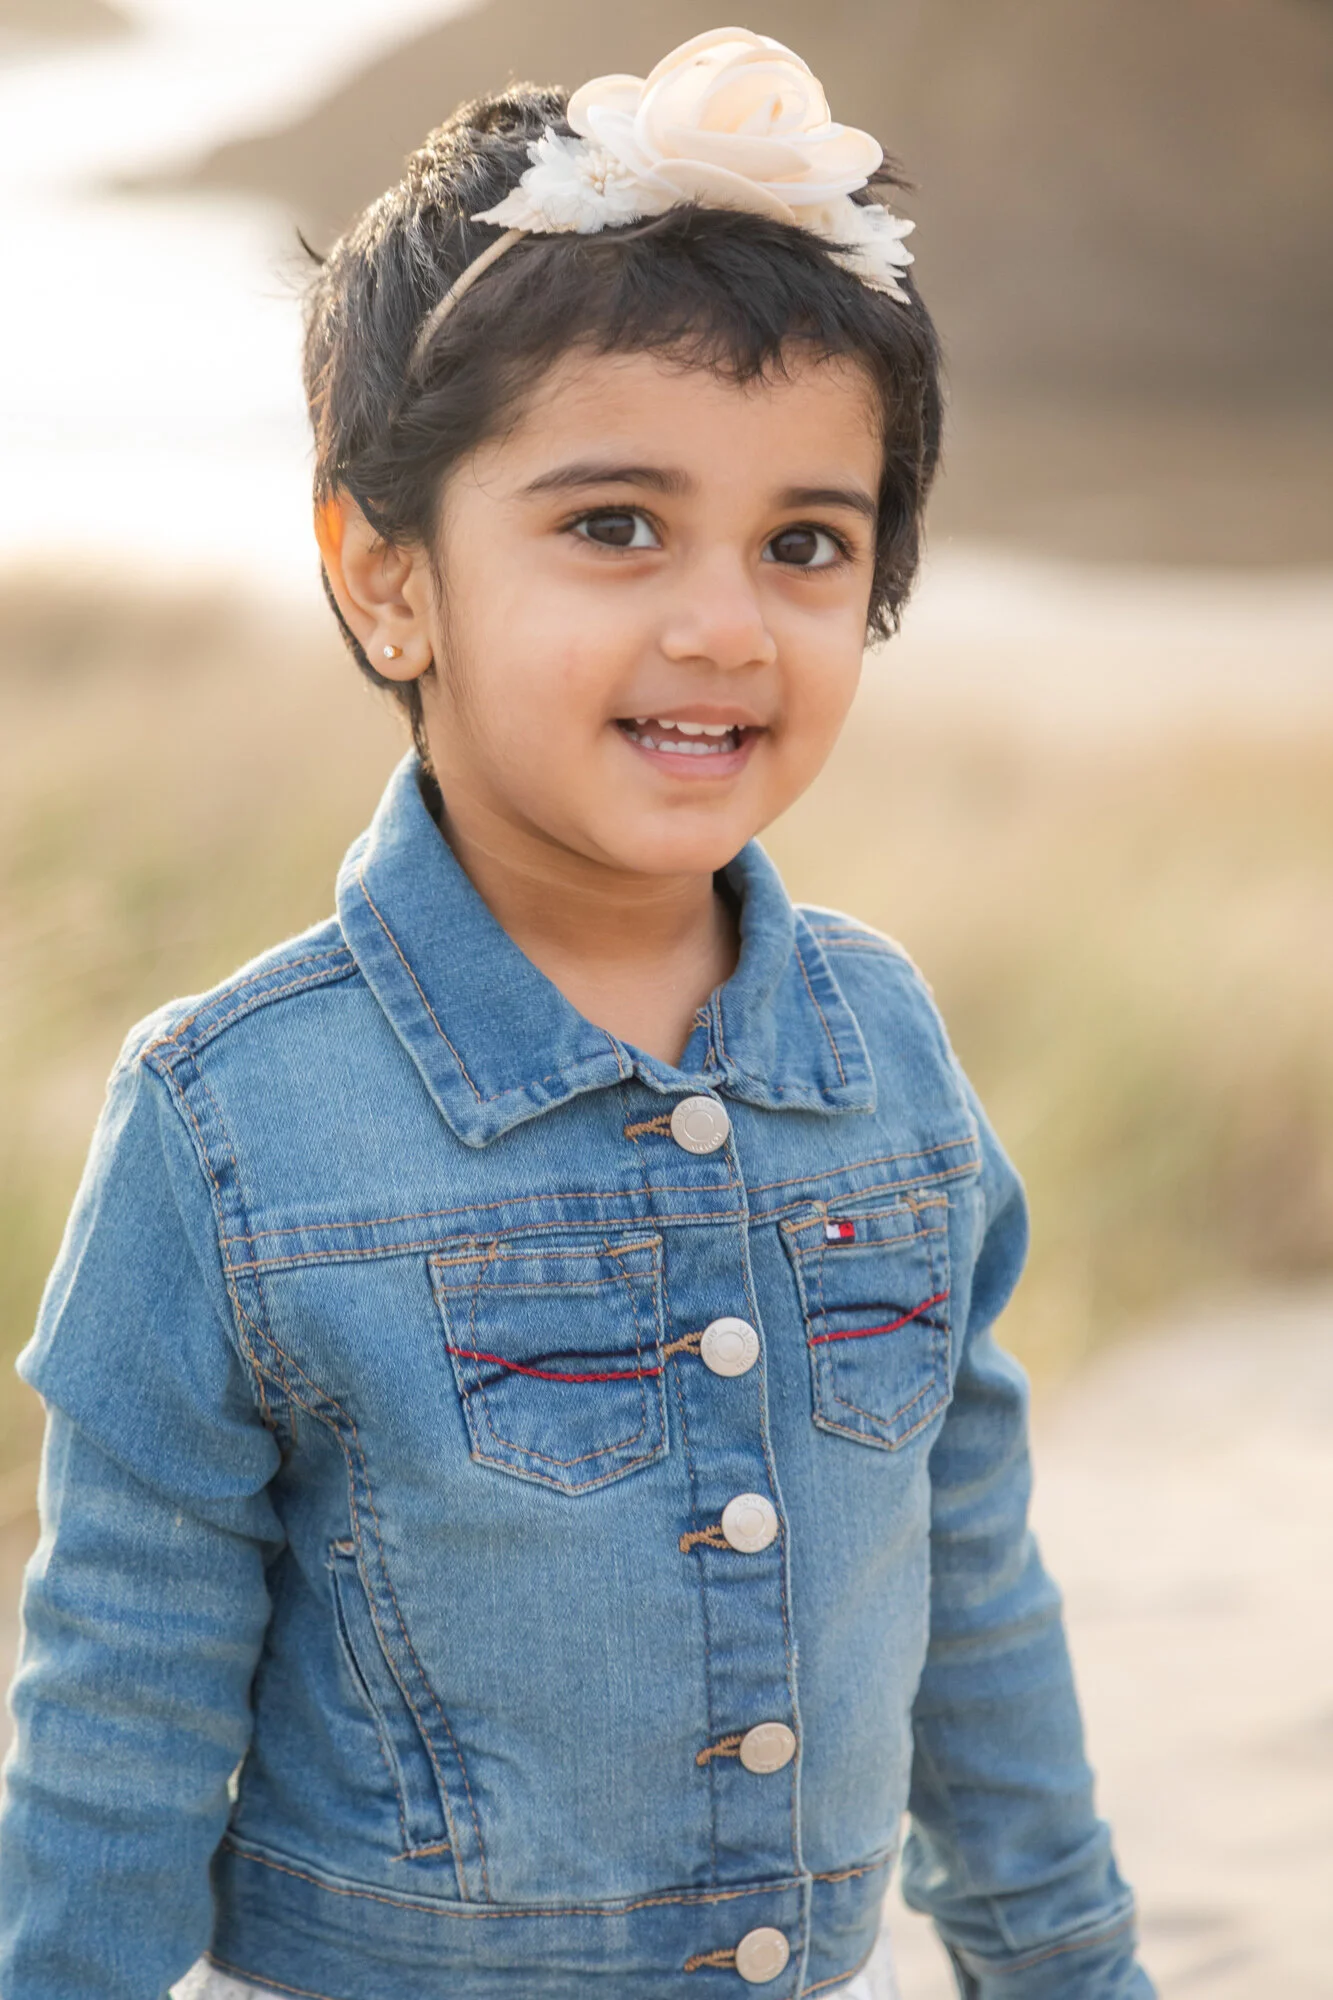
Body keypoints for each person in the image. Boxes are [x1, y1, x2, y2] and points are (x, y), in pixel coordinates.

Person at [0, 27, 1154, 2000]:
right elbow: (119, 1691)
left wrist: (1070, 1964)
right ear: (388, 582)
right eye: (615, 523)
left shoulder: (883, 1048)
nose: (723, 620)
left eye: (807, 541)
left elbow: (968, 1584)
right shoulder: (229, 1120)